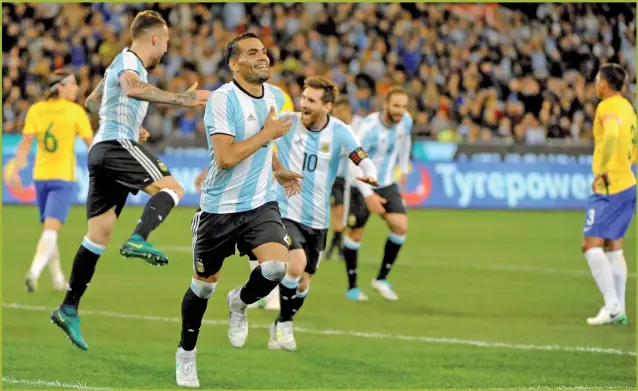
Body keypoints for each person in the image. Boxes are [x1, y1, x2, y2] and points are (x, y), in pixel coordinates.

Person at [49, 10, 210, 351]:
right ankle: (139, 237)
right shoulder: (131, 62)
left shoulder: (117, 64)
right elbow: (130, 87)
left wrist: (128, 120)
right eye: (165, 42)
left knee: (98, 235)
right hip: (114, 144)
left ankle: (68, 307)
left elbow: (94, 101)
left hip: (102, 148)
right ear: (154, 38)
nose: (166, 50)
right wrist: (181, 99)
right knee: (173, 188)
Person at [175, 33, 303, 388]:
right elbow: (227, 157)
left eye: (263, 51)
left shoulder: (275, 96)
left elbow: (267, 145)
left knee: (277, 266)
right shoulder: (221, 99)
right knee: (202, 289)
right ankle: (186, 354)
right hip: (219, 210)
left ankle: (240, 301)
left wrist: (277, 168)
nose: (263, 57)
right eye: (252, 53)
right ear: (234, 64)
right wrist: (267, 133)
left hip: (260, 203)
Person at [268, 76, 378, 351]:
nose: (303, 104)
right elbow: (260, 141)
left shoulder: (339, 131)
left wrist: (370, 172)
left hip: (318, 219)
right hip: (285, 210)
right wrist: (277, 166)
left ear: (327, 106)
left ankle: (282, 321)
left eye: (311, 101)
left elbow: (359, 155)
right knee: (294, 264)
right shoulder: (287, 121)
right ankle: (284, 325)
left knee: (303, 283)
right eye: (303, 98)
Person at [12, 70, 93, 293]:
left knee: (49, 230)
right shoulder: (76, 112)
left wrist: (16, 170)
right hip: (62, 178)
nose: (77, 88)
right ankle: (34, 272)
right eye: (73, 84)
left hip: (41, 177)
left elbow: (26, 142)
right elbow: (91, 145)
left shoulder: (36, 110)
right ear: (60, 87)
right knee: (51, 231)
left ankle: (58, 278)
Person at [342, 86, 413, 302]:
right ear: (386, 105)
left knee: (400, 226)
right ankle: (352, 287)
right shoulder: (369, 128)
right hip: (360, 183)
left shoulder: (406, 121)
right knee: (356, 234)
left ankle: (381, 279)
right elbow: (353, 162)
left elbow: (405, 142)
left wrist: (404, 170)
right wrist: (367, 194)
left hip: (387, 182)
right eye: (396, 106)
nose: (400, 111)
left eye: (403, 106)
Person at [582, 63, 636, 326]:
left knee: (590, 246)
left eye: (596, 79)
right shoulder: (628, 108)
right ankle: (620, 309)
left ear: (604, 84)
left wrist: (602, 170)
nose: (595, 84)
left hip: (610, 186)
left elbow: (612, 135)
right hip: (628, 182)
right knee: (613, 247)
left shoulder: (607, 107)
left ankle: (611, 305)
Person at [325, 96, 364, 260]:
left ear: (347, 111)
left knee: (353, 214)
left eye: (339, 114)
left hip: (356, 179)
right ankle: (337, 240)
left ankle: (343, 243)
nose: (337, 117)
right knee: (337, 208)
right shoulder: (333, 126)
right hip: (337, 175)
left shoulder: (360, 125)